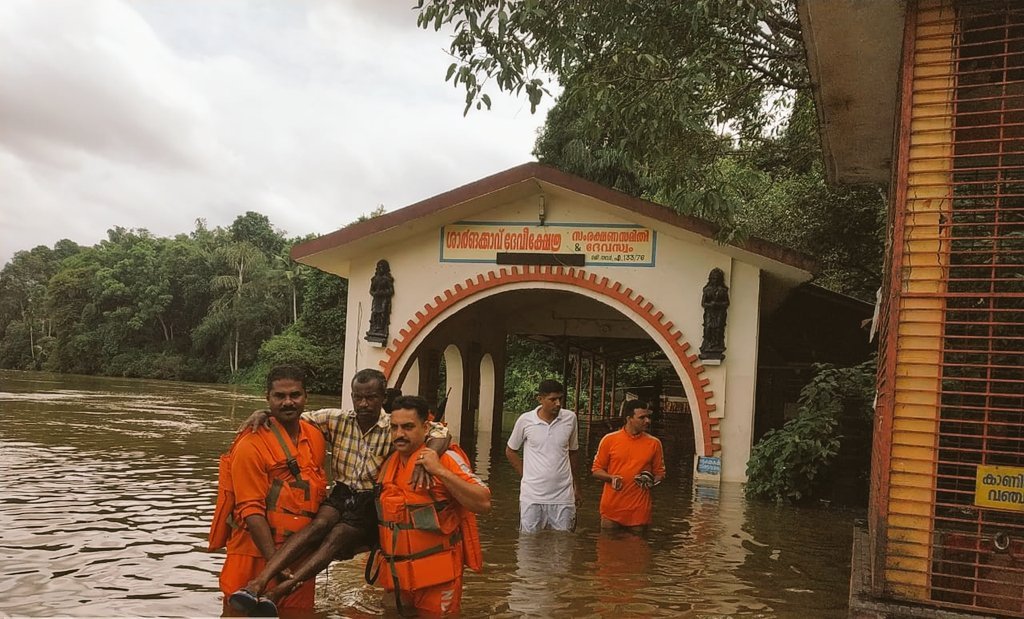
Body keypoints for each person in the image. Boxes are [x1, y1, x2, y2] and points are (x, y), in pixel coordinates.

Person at [228, 369, 448, 616]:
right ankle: (257, 584)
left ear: (382, 396)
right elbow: (293, 414)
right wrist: (265, 412)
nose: (364, 404)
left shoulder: (394, 426)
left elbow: (440, 431)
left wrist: (431, 456)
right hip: (342, 492)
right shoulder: (337, 419)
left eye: (372, 398)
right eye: (358, 397)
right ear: (352, 396)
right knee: (317, 527)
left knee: (336, 538)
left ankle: (279, 591)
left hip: (368, 498)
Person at [217, 365, 328, 615]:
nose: (288, 402)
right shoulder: (250, 444)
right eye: (280, 396)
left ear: (306, 397)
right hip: (253, 558)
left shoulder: (315, 437)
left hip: (298, 560)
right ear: (268, 398)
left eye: (295, 395)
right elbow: (251, 510)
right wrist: (274, 563)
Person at [371, 395, 490, 616]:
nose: (399, 434)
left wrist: (440, 471)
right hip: (396, 576)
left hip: (438, 577)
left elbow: (483, 502)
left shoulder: (447, 459)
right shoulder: (387, 462)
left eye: (408, 427)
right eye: (394, 427)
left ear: (426, 427)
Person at [505, 379, 581, 533]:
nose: (558, 403)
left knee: (563, 545)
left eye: (560, 398)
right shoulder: (526, 420)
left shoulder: (570, 418)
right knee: (528, 544)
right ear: (540, 399)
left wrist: (576, 486)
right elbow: (510, 450)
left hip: (563, 496)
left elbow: (573, 452)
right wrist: (525, 475)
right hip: (532, 496)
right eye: (553, 399)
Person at [591, 400, 666, 530]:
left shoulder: (654, 443)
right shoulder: (609, 440)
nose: (647, 421)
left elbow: (660, 473)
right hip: (612, 508)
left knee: (636, 548)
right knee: (607, 546)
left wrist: (650, 480)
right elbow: (596, 470)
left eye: (648, 417)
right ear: (629, 419)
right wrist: (611, 477)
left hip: (639, 509)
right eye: (642, 417)